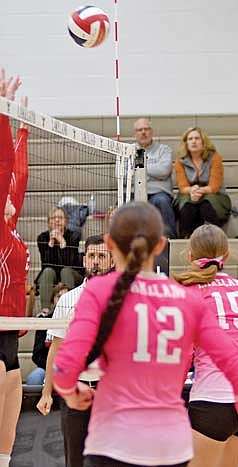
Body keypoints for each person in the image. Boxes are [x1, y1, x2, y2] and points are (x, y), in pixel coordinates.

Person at [51, 202, 238, 467]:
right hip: (170, 448)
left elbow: (63, 369)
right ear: (161, 245)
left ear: (110, 243)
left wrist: (72, 393)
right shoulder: (188, 299)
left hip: (113, 442)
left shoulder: (98, 291)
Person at [173, 223, 238, 467]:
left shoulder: (187, 292)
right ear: (227, 256)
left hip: (211, 401)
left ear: (190, 256)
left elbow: (181, 357)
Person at [37, 235, 113, 467]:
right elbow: (55, 349)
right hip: (75, 391)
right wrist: (46, 392)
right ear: (84, 260)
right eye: (92, 256)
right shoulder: (67, 300)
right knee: (75, 460)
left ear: (111, 261)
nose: (96, 261)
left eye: (102, 256)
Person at [0, 69, 28, 467]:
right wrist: (2, 117)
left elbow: (18, 177)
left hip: (9, 326)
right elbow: (7, 170)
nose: (10, 198)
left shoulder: (12, 228)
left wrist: (22, 129)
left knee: (13, 382)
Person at [174, 127, 231, 238]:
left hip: (214, 194)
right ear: (186, 143)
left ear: (204, 142)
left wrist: (199, 190)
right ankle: (185, 238)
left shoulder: (215, 157)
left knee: (206, 205)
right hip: (188, 193)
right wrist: (191, 190)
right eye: (190, 139)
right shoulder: (179, 161)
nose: (194, 141)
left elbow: (214, 186)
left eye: (197, 138)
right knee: (188, 206)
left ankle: (215, 239)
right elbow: (182, 186)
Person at [131, 118, 176, 238]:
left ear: (152, 132)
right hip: (134, 193)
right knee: (125, 203)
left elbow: (164, 171)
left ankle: (170, 238)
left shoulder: (164, 150)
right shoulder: (129, 151)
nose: (143, 132)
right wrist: (153, 172)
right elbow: (122, 175)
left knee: (162, 201)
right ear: (135, 134)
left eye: (146, 129)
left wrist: (140, 170)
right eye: (140, 130)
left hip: (158, 193)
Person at [36, 206, 83, 314]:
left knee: (65, 271)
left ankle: (69, 308)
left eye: (60, 218)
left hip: (71, 273)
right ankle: (45, 311)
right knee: (48, 271)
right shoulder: (42, 238)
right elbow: (45, 264)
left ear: (66, 221)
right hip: (51, 275)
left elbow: (70, 264)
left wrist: (62, 243)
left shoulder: (73, 236)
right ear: (48, 222)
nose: (57, 220)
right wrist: (51, 244)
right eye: (53, 218)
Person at [26, 282, 69, 385]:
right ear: (53, 300)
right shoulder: (44, 321)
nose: (62, 300)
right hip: (46, 368)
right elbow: (36, 355)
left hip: (69, 369)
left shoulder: (76, 321)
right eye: (58, 296)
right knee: (34, 378)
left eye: (65, 296)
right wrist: (51, 369)